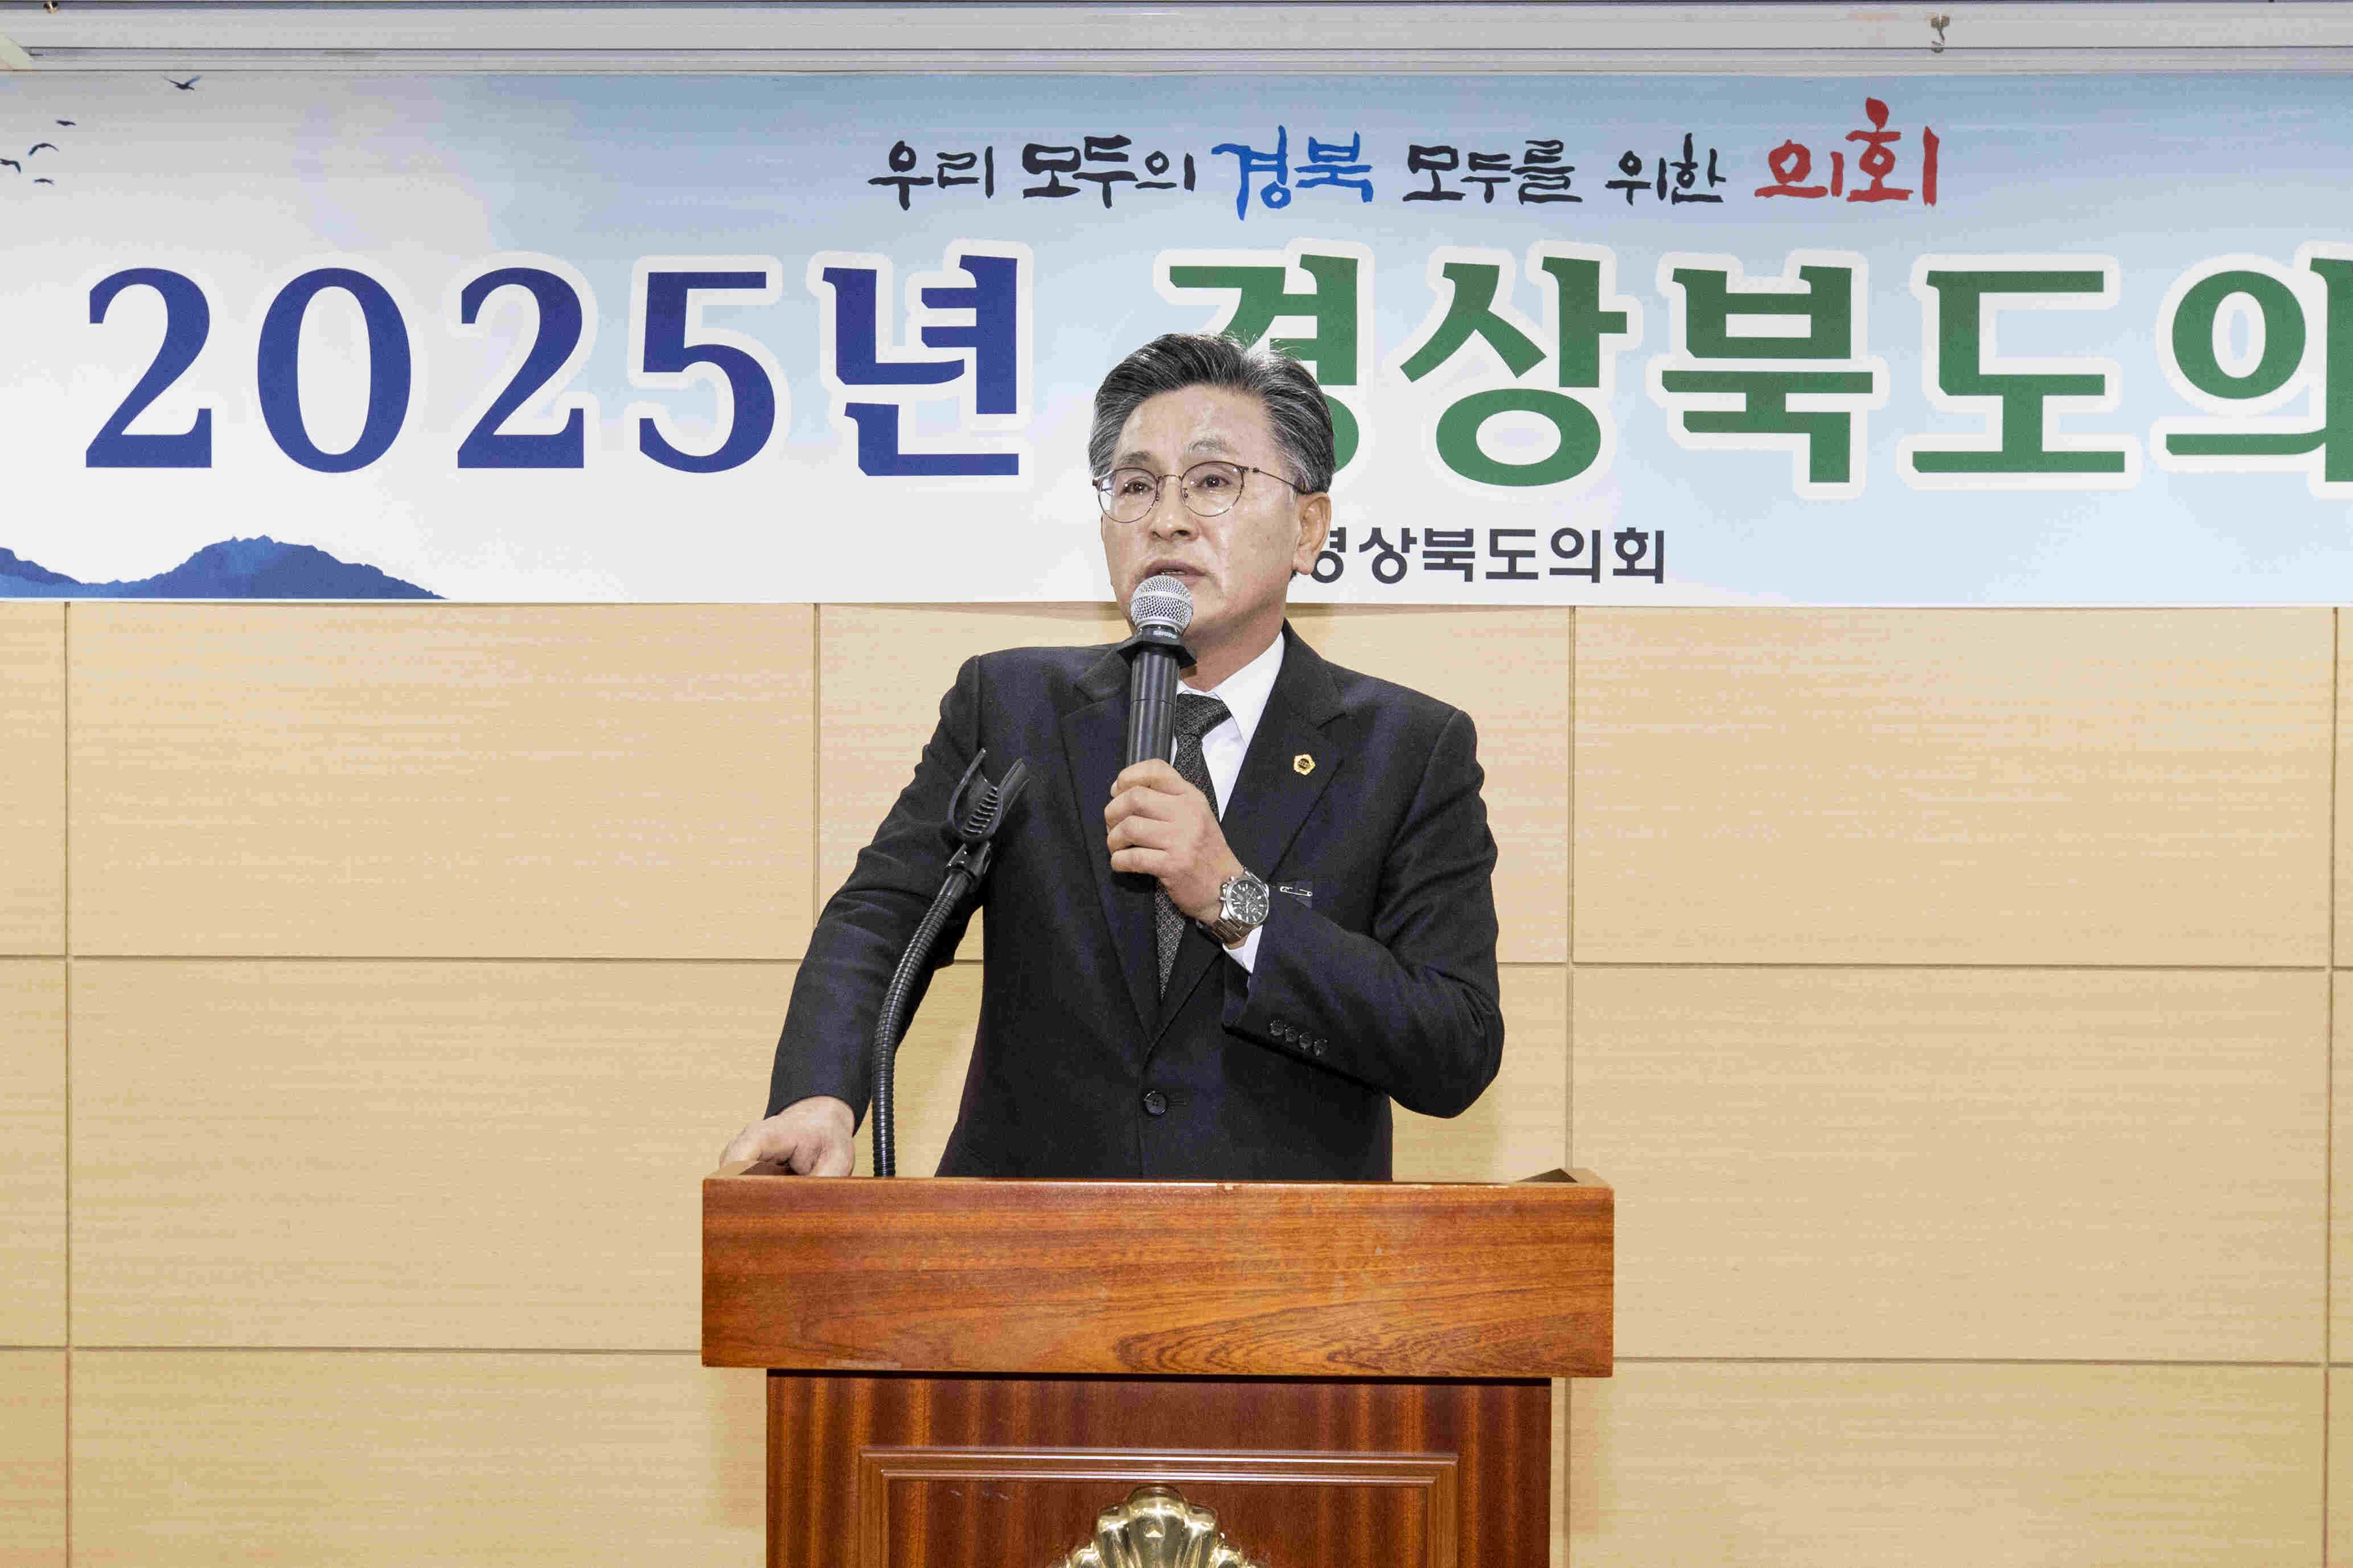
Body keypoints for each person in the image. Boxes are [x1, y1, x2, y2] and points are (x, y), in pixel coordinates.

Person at [721, 332, 1502, 1179]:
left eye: (1213, 482)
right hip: (1021, 1238)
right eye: (1135, 486)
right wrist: (819, 1098)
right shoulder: (1010, 706)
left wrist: (1235, 902)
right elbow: (882, 918)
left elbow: (1453, 1049)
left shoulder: (1409, 749)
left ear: (1307, 528)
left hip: (1280, 1246)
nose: (1167, 519)